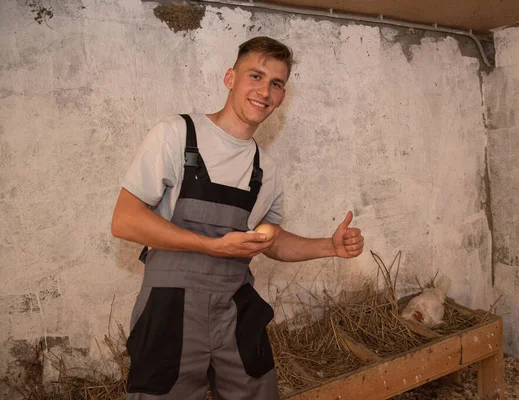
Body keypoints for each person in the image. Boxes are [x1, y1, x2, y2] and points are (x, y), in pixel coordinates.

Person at [111, 36, 364, 400]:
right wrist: (213, 246)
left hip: (234, 305)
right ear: (230, 78)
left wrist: (329, 245)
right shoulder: (177, 135)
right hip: (170, 307)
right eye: (256, 76)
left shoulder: (268, 168)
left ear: (282, 96)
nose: (265, 90)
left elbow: (270, 239)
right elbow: (125, 220)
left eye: (276, 83)